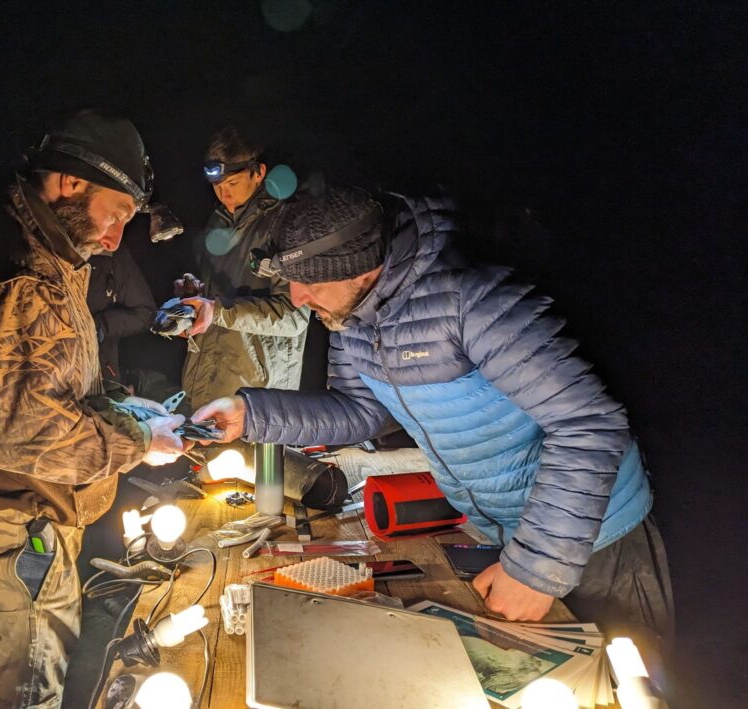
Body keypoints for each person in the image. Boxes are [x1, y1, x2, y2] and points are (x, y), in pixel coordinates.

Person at [193, 186, 673, 654]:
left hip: (596, 534)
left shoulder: (473, 303)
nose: (297, 298)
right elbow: (360, 413)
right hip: (503, 531)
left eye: (311, 282)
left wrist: (536, 568)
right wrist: (250, 414)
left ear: (363, 269)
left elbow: (589, 424)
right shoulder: (354, 323)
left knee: (630, 679)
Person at [0, 110, 186, 709]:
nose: (116, 239)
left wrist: (125, 407)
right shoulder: (20, 271)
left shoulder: (36, 248)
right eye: (114, 215)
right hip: (7, 543)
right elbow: (16, 429)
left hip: (19, 529)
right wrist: (138, 442)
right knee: (19, 692)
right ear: (69, 183)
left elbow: (46, 385)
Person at [177, 126, 310, 411]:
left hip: (257, 401)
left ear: (259, 172)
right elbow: (216, 303)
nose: (223, 194)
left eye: (232, 184)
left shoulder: (287, 224)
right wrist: (195, 297)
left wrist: (219, 311)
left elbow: (294, 318)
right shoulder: (218, 221)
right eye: (217, 185)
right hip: (204, 386)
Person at [86, 244, 155, 383]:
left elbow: (145, 313)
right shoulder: (39, 243)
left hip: (97, 374)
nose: (114, 238)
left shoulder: (110, 251)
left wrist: (100, 325)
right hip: (44, 369)